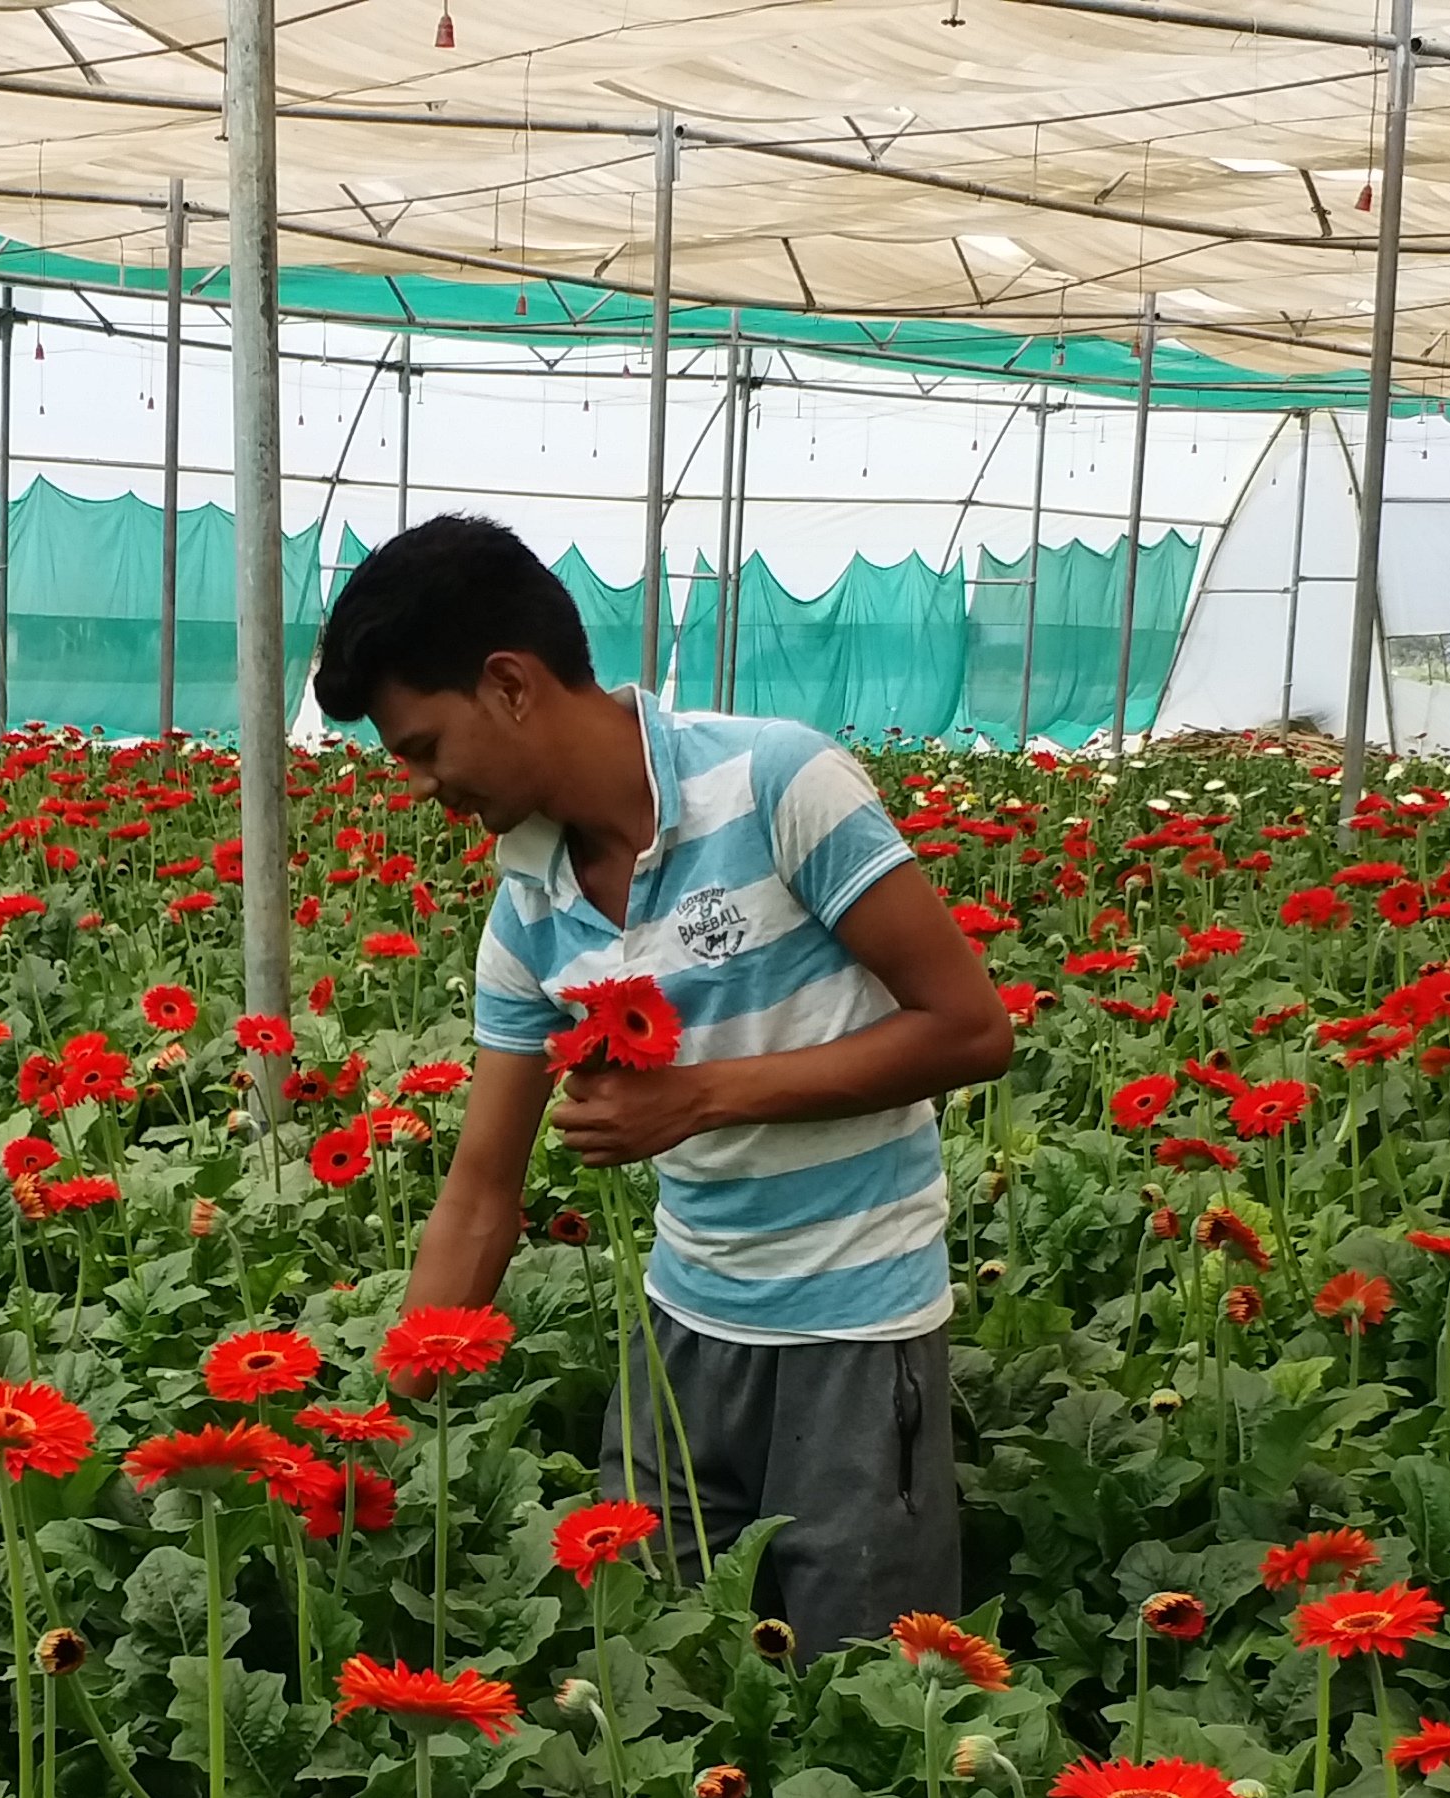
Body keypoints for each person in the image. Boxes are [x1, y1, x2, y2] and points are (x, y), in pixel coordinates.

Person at [310, 514, 1012, 1655]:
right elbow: (480, 1195)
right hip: (682, 1331)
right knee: (657, 1671)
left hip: (857, 1328)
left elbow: (970, 1031)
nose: (426, 786)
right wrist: (387, 1411)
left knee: (871, 1693)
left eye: (426, 747)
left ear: (510, 685)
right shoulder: (525, 906)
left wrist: (702, 1096)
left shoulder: (782, 781)